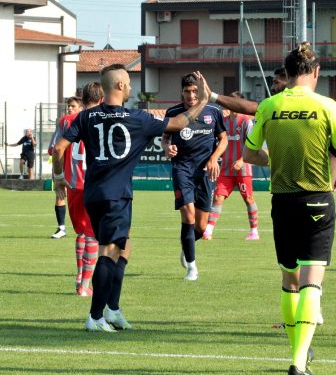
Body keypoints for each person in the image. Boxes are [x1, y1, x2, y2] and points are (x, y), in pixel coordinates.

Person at [52, 64, 210, 332]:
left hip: (93, 193)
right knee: (109, 250)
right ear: (121, 86)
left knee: (124, 247)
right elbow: (180, 122)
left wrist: (58, 179)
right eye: (129, 83)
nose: (131, 89)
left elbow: (58, 148)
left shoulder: (86, 117)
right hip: (115, 195)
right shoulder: (137, 118)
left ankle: (112, 310)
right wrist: (204, 101)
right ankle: (95, 316)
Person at [242, 43, 336, 375]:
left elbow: (251, 155)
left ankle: (299, 355)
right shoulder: (326, 106)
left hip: (282, 201)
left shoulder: (268, 105)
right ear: (316, 73)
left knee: (290, 279)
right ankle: (297, 361)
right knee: (312, 280)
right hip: (318, 200)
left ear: (288, 73)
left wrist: (273, 158)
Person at [161, 73, 227, 280]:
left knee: (200, 226)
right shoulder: (173, 112)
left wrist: (214, 158)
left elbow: (223, 139)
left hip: (206, 172)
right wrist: (166, 148)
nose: (191, 95)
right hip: (182, 169)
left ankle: (187, 246)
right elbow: (165, 137)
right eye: (187, 91)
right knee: (187, 216)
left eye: (194, 91)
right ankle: (192, 267)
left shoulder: (214, 111)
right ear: (181, 92)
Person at [54, 85, 104, 297]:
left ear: (82, 99)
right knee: (94, 235)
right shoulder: (104, 118)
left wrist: (58, 178)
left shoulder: (67, 121)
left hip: (72, 184)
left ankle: (79, 275)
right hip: (94, 184)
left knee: (82, 232)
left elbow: (56, 149)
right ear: (102, 99)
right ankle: (84, 285)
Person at [203, 91, 259, 241]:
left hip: (243, 169)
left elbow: (252, 144)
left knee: (248, 199)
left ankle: (254, 231)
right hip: (226, 169)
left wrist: (242, 160)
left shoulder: (246, 121)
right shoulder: (223, 121)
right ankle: (208, 230)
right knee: (218, 198)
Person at [47, 97, 83, 239]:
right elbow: (53, 150)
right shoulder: (91, 120)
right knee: (60, 195)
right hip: (66, 165)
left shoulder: (66, 122)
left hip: (74, 168)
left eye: (73, 106)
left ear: (81, 107)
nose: (69, 108)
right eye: (68, 106)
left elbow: (53, 148)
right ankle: (61, 227)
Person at [206, 67, 289, 115]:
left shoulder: (246, 120)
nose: (272, 88)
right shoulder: (272, 106)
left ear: (290, 80)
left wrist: (211, 95)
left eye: (276, 82)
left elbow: (249, 107)